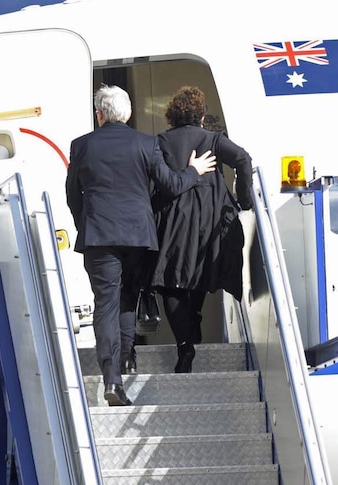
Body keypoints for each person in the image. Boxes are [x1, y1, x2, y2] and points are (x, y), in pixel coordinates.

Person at [66, 84, 216, 406]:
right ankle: (126, 357)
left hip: (99, 237)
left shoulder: (81, 146)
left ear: (99, 115)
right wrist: (194, 171)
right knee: (127, 299)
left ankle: (113, 380)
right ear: (130, 113)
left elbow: (72, 196)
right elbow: (172, 185)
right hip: (138, 238)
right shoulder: (146, 144)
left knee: (104, 305)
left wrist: (87, 226)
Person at [149, 86, 253, 373]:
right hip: (210, 219)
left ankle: (185, 344)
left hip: (173, 219)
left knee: (171, 280)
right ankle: (192, 323)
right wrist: (243, 199)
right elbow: (243, 160)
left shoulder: (160, 142)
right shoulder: (212, 139)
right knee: (199, 271)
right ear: (202, 116)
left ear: (172, 115)